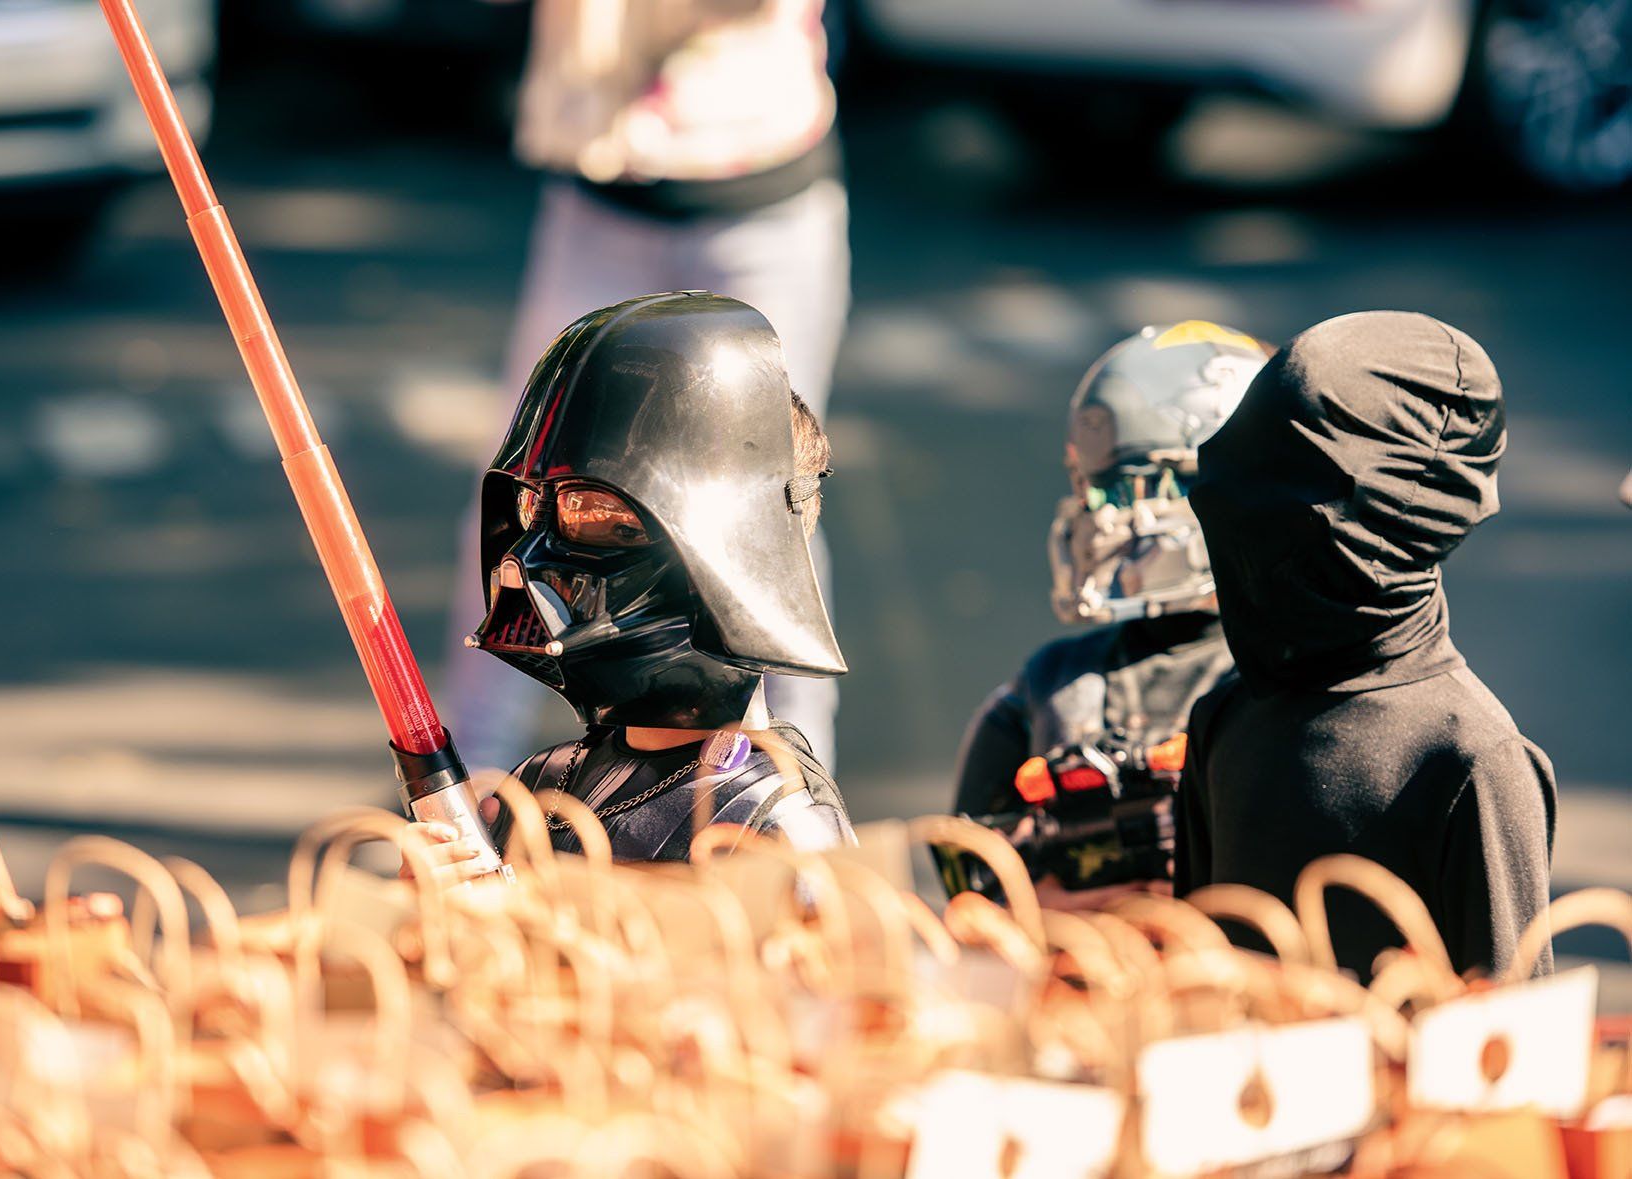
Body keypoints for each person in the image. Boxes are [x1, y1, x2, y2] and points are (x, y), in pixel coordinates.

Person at [444, 0, 849, 775]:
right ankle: (469, 778)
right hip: (602, 192)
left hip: (760, 196)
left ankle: (799, 785)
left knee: (778, 504)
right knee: (522, 492)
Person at [1175, 310, 1555, 978]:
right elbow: (1190, 976)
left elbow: (1512, 1049)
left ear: (1396, 521)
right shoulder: (1225, 719)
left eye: (1285, 514)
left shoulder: (1471, 760)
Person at [458, 292, 852, 862]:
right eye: (531, 509)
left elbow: (825, 951)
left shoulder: (776, 821)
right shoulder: (542, 786)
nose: (530, 558)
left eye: (598, 515)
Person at [942, 322, 1269, 901]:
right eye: (1094, 490)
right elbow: (964, 883)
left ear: (1216, 485)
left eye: (1128, 489)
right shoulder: (1050, 687)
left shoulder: (1282, 681)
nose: (1098, 517)